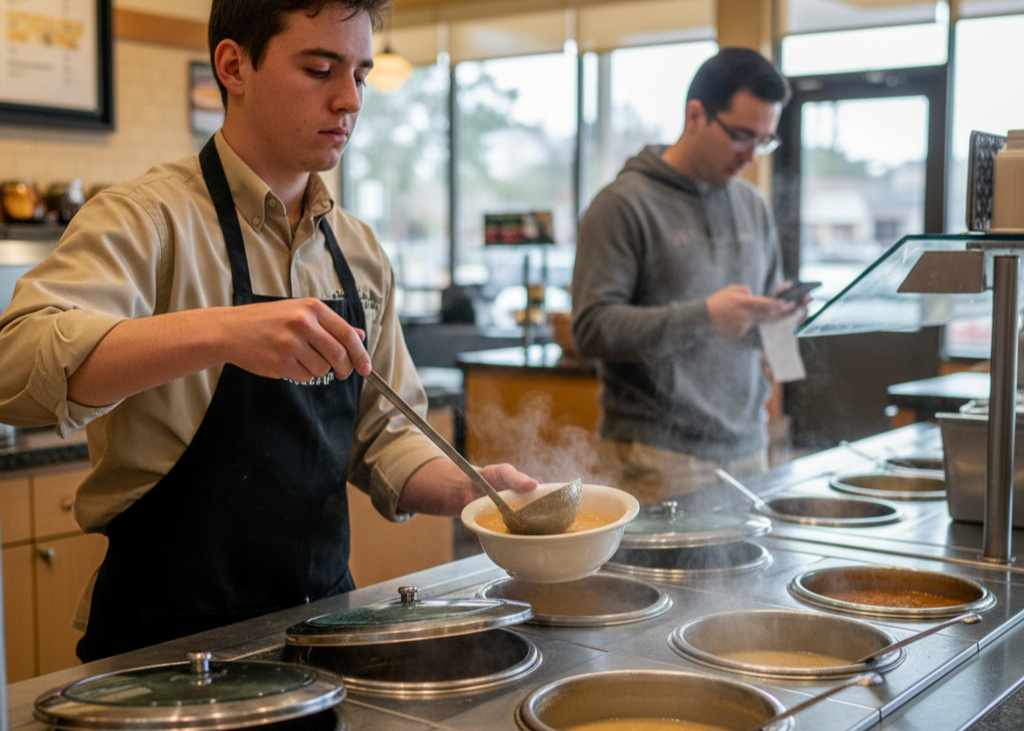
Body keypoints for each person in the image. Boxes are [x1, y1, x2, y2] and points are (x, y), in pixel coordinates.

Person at [0, 0, 536, 662]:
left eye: (361, 75)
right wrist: (224, 331)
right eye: (319, 68)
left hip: (323, 634)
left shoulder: (358, 250)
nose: (349, 100)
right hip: (164, 654)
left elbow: (384, 429)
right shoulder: (146, 219)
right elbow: (15, 365)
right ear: (233, 66)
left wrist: (458, 485)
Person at [571, 47, 799, 505]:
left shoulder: (752, 205)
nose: (751, 155)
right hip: (659, 457)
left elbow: (765, 323)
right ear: (696, 114)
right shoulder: (622, 205)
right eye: (741, 136)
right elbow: (590, 329)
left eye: (764, 141)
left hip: (749, 446)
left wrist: (782, 309)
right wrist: (705, 317)